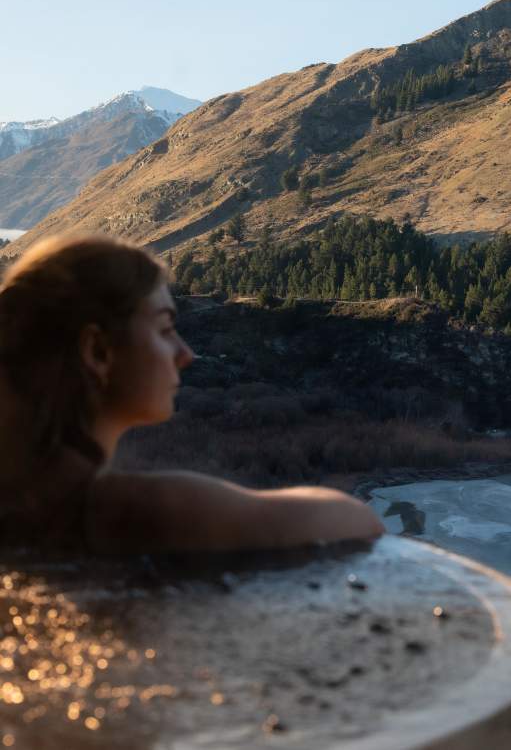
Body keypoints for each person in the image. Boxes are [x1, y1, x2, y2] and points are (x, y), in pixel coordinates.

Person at [0, 234, 384, 555]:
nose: (186, 353)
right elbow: (356, 519)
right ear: (98, 352)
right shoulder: (122, 511)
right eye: (165, 330)